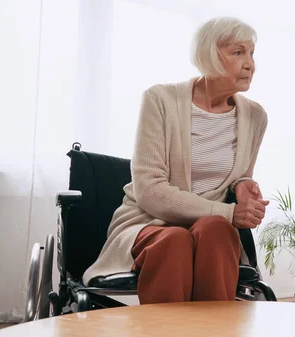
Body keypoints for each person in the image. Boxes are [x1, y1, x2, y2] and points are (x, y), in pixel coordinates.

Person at [82, 17, 269, 304]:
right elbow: (150, 191)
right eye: (238, 52)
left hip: (212, 228)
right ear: (210, 54)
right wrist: (230, 213)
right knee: (175, 241)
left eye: (252, 53)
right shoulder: (161, 100)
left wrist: (244, 185)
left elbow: (240, 174)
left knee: (217, 229)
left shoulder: (255, 116)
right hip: (150, 221)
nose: (250, 64)